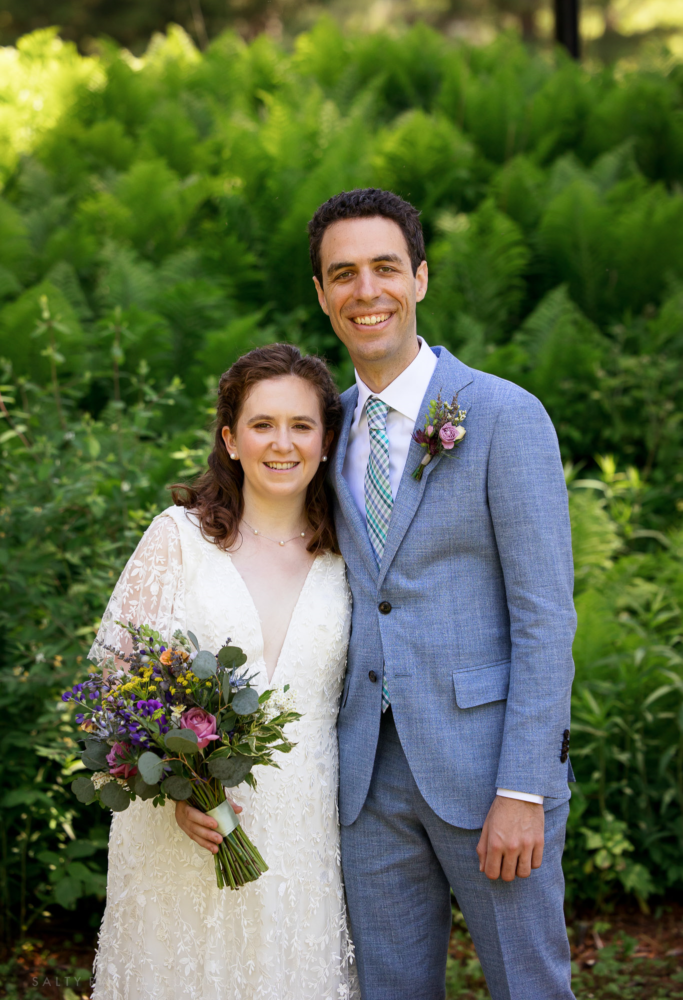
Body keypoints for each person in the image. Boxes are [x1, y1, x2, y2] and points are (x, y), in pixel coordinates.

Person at [309, 188, 577, 1000]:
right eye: (343, 274)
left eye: (385, 268)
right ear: (322, 295)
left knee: (528, 986)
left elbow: (544, 617)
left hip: (489, 768)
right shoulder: (323, 430)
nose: (367, 291)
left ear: (419, 278)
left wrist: (523, 787)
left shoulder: (502, 415)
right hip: (367, 779)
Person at [89, 344, 359, 1000]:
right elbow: (112, 685)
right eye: (262, 425)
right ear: (230, 439)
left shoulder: (350, 558)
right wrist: (180, 790)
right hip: (182, 836)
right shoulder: (178, 539)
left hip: (304, 836)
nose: (281, 443)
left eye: (301, 425)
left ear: (326, 441)